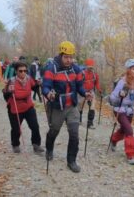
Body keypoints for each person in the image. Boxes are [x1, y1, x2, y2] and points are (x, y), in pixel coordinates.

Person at [42, 41, 92, 173]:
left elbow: (80, 86)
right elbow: (45, 86)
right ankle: (49, 149)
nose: (69, 60)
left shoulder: (75, 69)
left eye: (71, 57)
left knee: (74, 134)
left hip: (72, 106)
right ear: (61, 55)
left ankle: (71, 161)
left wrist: (85, 93)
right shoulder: (51, 67)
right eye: (66, 57)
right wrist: (49, 94)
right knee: (54, 131)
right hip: (57, 106)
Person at [3, 61, 44, 153]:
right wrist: (9, 93)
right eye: (20, 71)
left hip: (28, 106)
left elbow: (34, 88)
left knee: (35, 126)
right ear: (16, 71)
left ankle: (36, 144)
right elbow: (5, 96)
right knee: (16, 128)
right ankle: (15, 144)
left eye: (25, 71)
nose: (23, 73)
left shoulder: (29, 79)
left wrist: (38, 85)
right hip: (15, 107)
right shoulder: (12, 81)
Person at [80, 58, 102, 129]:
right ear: (86, 66)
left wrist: (99, 90)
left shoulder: (95, 75)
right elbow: (78, 83)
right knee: (80, 107)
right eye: (89, 67)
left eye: (91, 67)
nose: (90, 69)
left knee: (92, 107)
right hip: (82, 91)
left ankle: (90, 123)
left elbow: (97, 83)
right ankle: (78, 120)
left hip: (91, 91)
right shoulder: (82, 74)